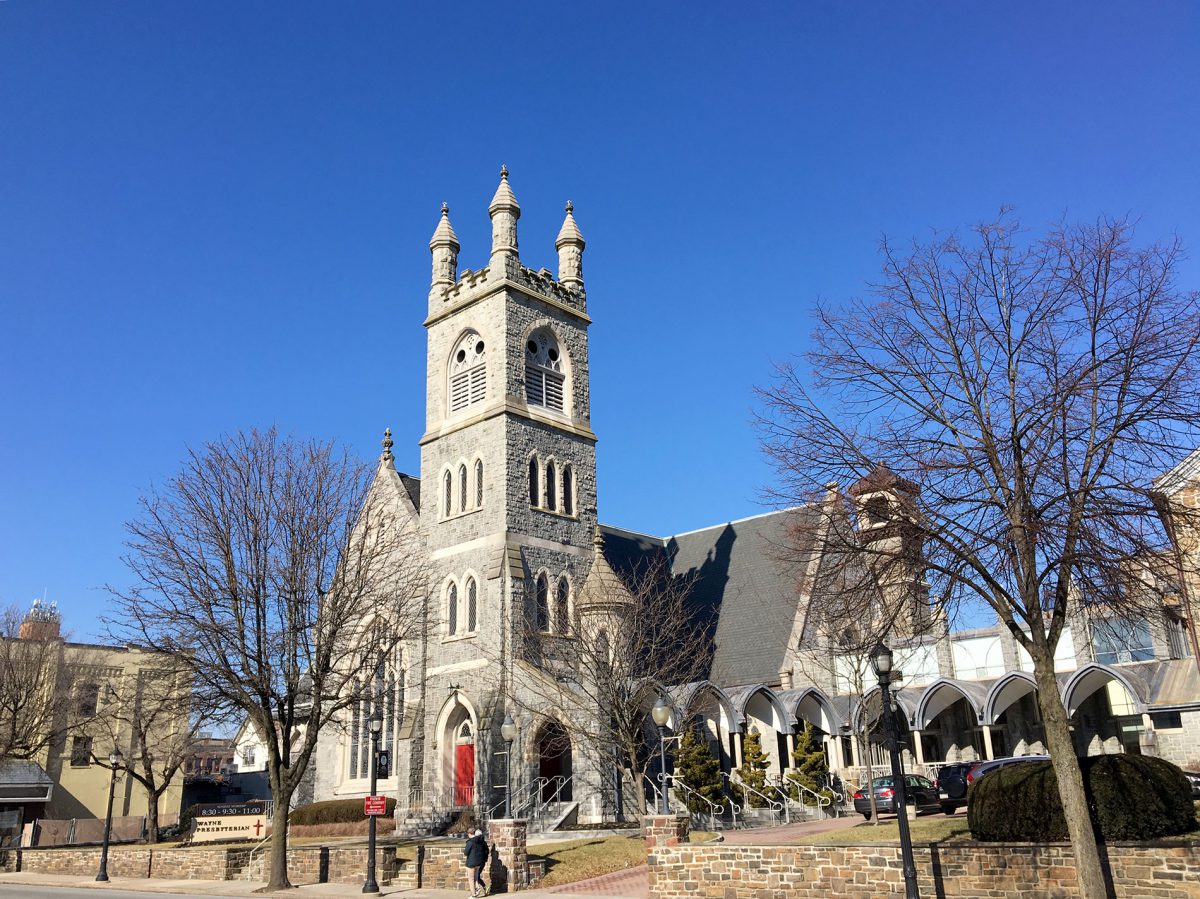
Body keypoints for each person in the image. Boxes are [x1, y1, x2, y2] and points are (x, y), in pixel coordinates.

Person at [463, 827, 488, 897]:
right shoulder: (480, 841)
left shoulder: (470, 842)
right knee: (476, 877)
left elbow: (466, 852)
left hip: (471, 863)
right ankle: (477, 888)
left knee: (471, 879)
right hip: (479, 862)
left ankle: (473, 894)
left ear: (469, 833)